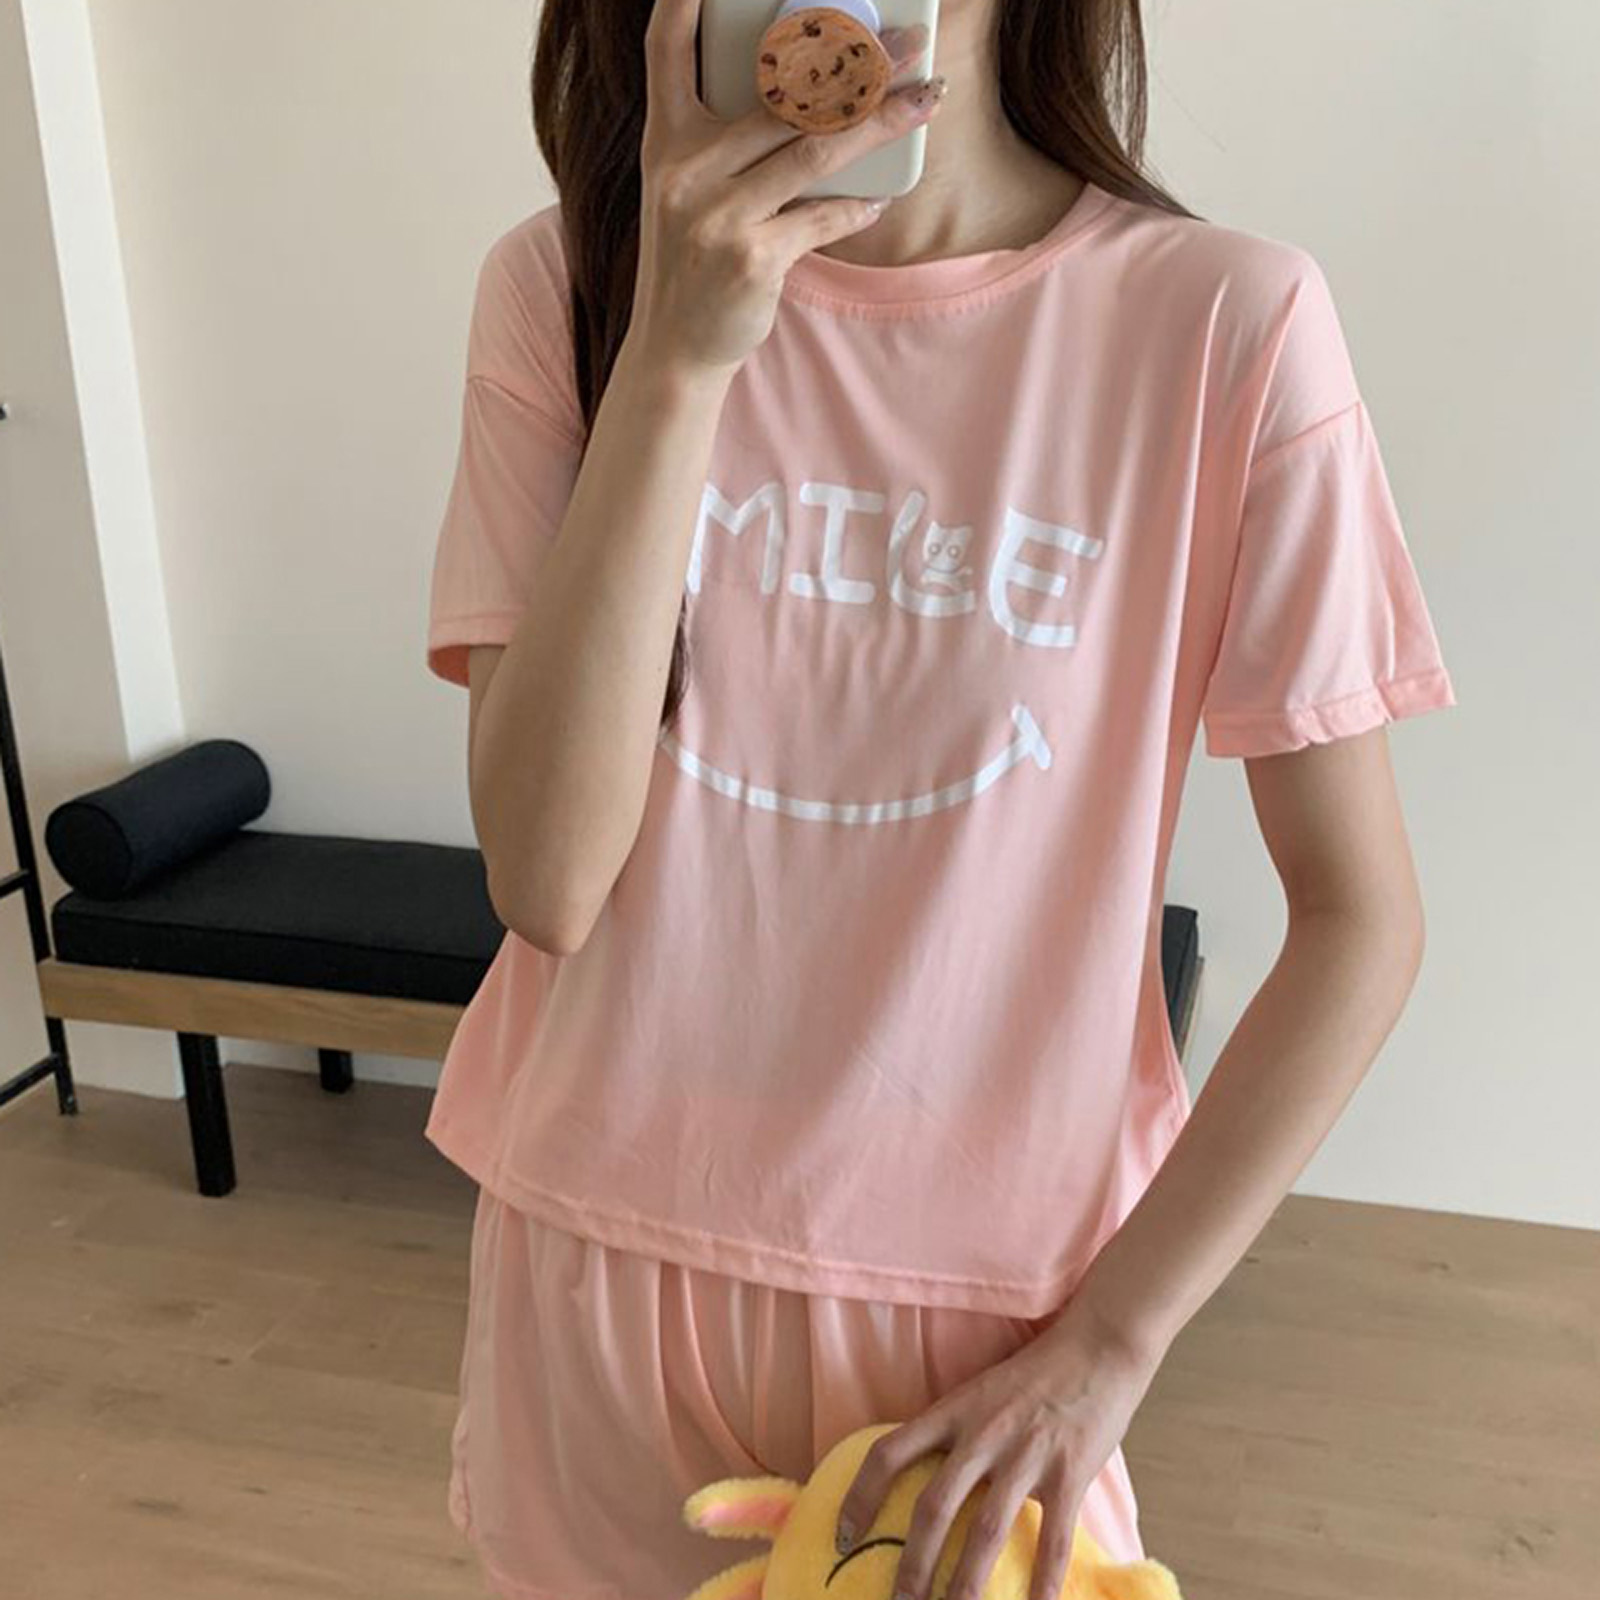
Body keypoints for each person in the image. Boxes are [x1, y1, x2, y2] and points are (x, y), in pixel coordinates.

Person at [423, 1, 1458, 1597]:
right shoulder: (562, 285)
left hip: (982, 1340)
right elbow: (547, 879)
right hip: (593, 1275)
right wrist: (678, 361)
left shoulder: (1222, 326)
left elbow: (1360, 921)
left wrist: (1114, 1344)